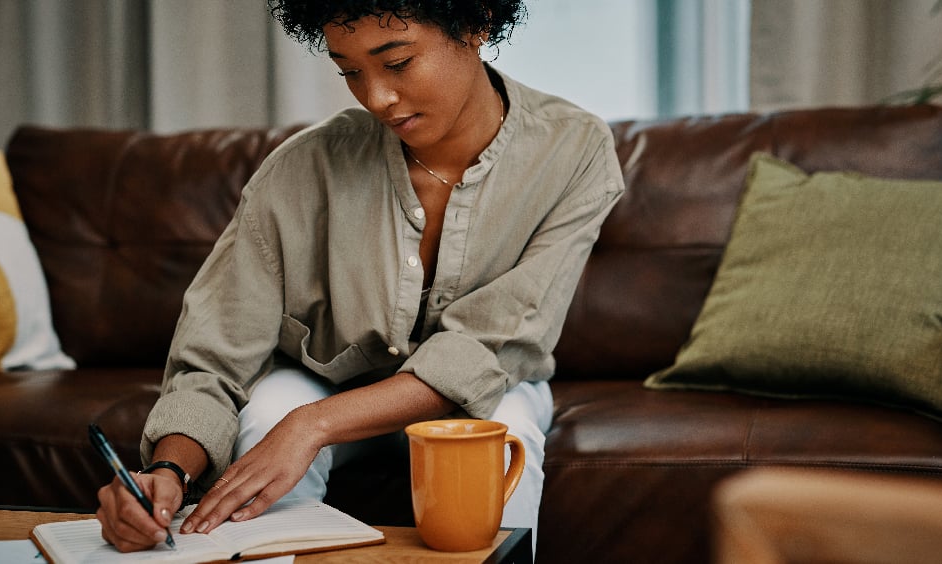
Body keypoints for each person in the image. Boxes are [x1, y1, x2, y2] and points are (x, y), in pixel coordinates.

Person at [95, 0, 624, 555]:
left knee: (502, 437)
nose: (377, 98)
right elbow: (213, 355)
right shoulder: (303, 167)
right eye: (350, 71)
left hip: (491, 389)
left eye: (396, 63)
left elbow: (495, 346)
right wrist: (167, 472)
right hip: (325, 379)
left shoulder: (574, 150)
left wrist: (313, 425)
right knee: (269, 412)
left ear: (476, 24)